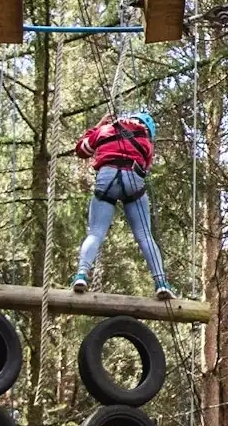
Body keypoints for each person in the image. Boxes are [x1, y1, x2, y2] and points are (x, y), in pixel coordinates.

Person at [72, 109, 174, 301]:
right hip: (133, 181)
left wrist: (99, 125)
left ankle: (81, 275)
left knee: (95, 233)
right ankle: (161, 282)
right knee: (145, 235)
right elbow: (146, 166)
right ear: (147, 130)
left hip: (106, 178)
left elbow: (81, 150)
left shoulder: (106, 130)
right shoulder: (146, 142)